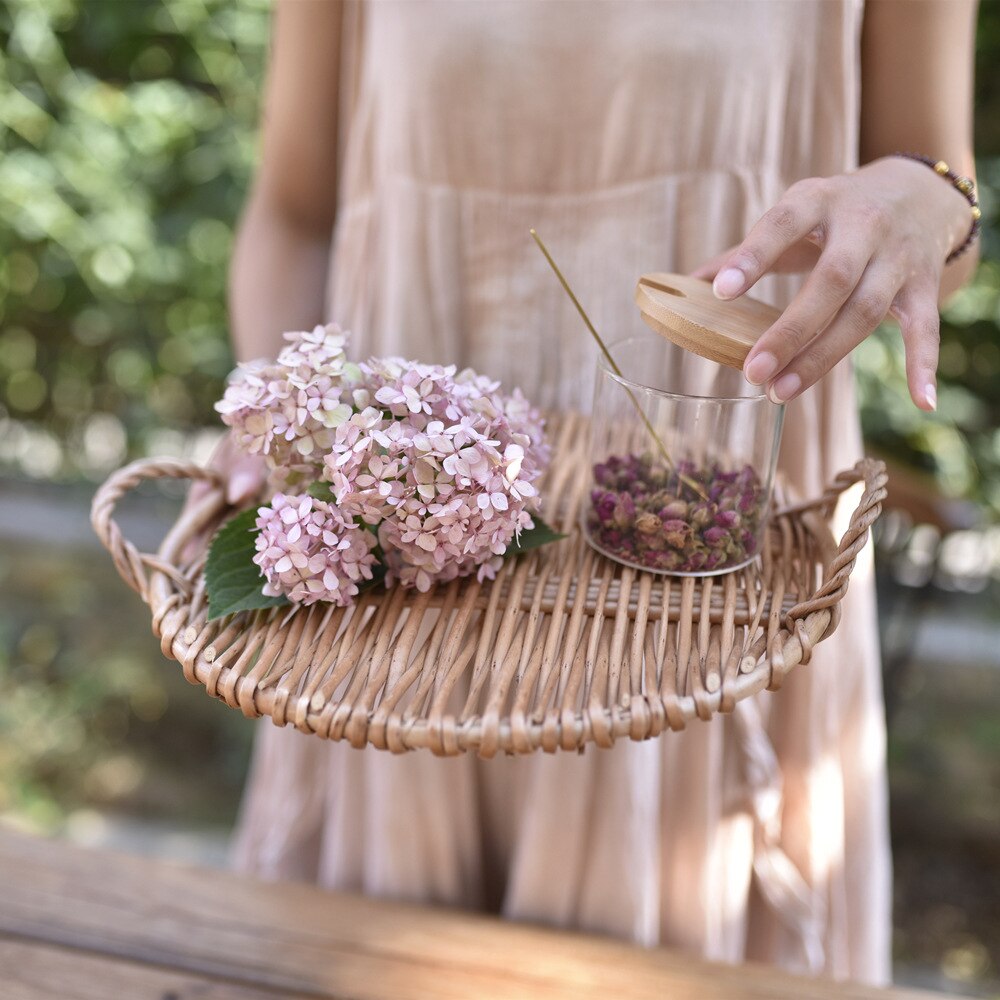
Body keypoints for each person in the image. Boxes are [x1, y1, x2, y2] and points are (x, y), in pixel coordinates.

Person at [219, 0, 980, 984]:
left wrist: (927, 205)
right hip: (401, 613)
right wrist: (275, 419)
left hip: (703, 592)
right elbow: (293, 214)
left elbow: (941, 196)